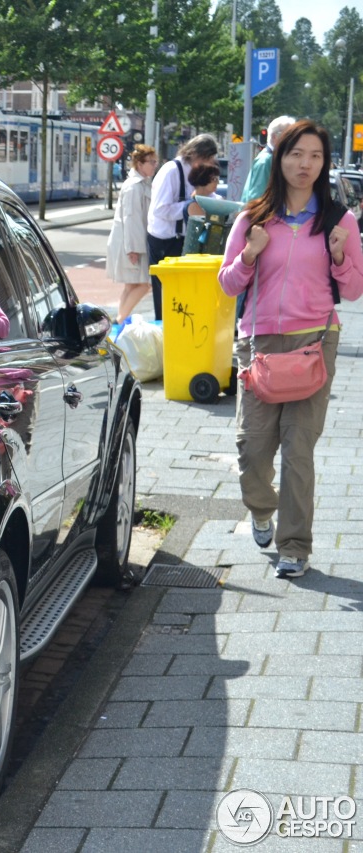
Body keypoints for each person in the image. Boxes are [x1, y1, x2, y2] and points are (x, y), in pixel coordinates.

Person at [218, 119, 363, 579]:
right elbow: (227, 284)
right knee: (253, 448)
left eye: (316, 156)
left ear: (325, 163)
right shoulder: (253, 218)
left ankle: (295, 546)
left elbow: (355, 289)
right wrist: (249, 255)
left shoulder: (340, 220)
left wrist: (340, 256)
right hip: (258, 342)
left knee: (298, 449)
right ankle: (262, 508)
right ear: (279, 158)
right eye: (297, 154)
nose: (306, 164)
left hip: (315, 340)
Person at [147, 133, 220, 320]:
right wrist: (188, 207)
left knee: (183, 296)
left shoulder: (195, 171)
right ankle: (165, 333)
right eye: (207, 159)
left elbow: (205, 197)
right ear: (197, 154)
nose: (209, 164)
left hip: (183, 239)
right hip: (164, 241)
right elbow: (160, 210)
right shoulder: (171, 171)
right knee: (165, 296)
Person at [106, 143, 158, 322]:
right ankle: (120, 319)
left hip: (132, 241)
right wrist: (133, 249)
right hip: (131, 243)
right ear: (139, 164)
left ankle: (119, 320)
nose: (154, 165)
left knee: (131, 285)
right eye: (151, 162)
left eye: (155, 162)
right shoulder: (134, 186)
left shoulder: (140, 184)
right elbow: (131, 218)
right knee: (145, 284)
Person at [241, 115, 297, 203]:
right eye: (289, 135)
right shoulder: (266, 160)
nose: (294, 140)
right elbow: (257, 198)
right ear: (275, 137)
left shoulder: (271, 158)